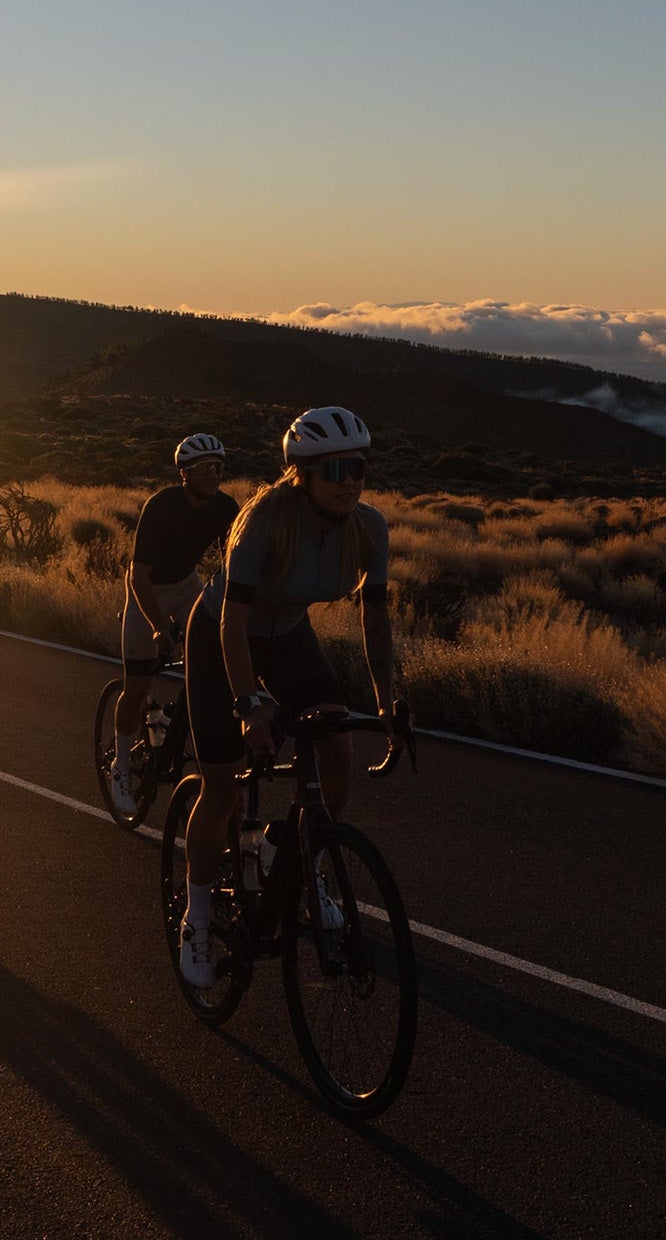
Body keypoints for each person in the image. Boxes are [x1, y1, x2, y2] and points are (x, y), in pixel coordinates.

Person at [175, 406, 401, 989]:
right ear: (300, 475)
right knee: (221, 786)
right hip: (222, 635)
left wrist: (387, 704)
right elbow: (232, 623)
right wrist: (250, 703)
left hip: (289, 635)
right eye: (336, 469)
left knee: (336, 746)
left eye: (360, 466)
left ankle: (298, 857)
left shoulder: (369, 528)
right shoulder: (263, 525)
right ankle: (196, 916)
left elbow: (376, 622)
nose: (351, 479)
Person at [109, 433, 238, 813]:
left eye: (218, 467)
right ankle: (121, 766)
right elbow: (138, 574)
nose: (214, 475)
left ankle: (175, 723)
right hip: (148, 588)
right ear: (185, 473)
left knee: (210, 656)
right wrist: (157, 625)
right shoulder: (161, 507)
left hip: (186, 585)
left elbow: (234, 561)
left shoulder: (224, 507)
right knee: (137, 684)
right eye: (205, 469)